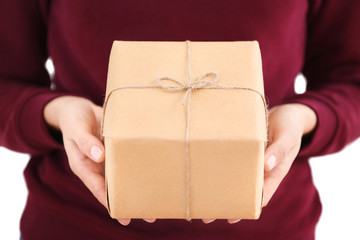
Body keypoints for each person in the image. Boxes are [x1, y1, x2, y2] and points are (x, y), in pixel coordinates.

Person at [1, 0, 359, 239]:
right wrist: (57, 114)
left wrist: (306, 119)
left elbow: (350, 77)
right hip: (75, 225)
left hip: (270, 227)